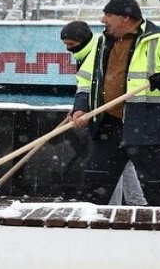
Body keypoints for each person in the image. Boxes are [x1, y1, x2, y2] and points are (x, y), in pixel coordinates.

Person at [68, 0, 160, 207]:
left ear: (125, 18)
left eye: (108, 15)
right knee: (93, 192)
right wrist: (81, 107)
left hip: (148, 128)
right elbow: (85, 80)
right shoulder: (102, 42)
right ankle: (91, 235)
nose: (102, 20)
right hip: (108, 127)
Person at [60, 20, 145, 206]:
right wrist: (79, 108)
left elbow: (106, 85)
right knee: (122, 161)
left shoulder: (100, 50)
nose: (69, 50)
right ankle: (136, 202)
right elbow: (87, 86)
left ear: (83, 40)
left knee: (112, 162)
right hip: (106, 117)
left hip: (114, 116)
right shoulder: (87, 53)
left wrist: (83, 108)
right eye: (66, 46)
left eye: (72, 46)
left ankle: (112, 208)